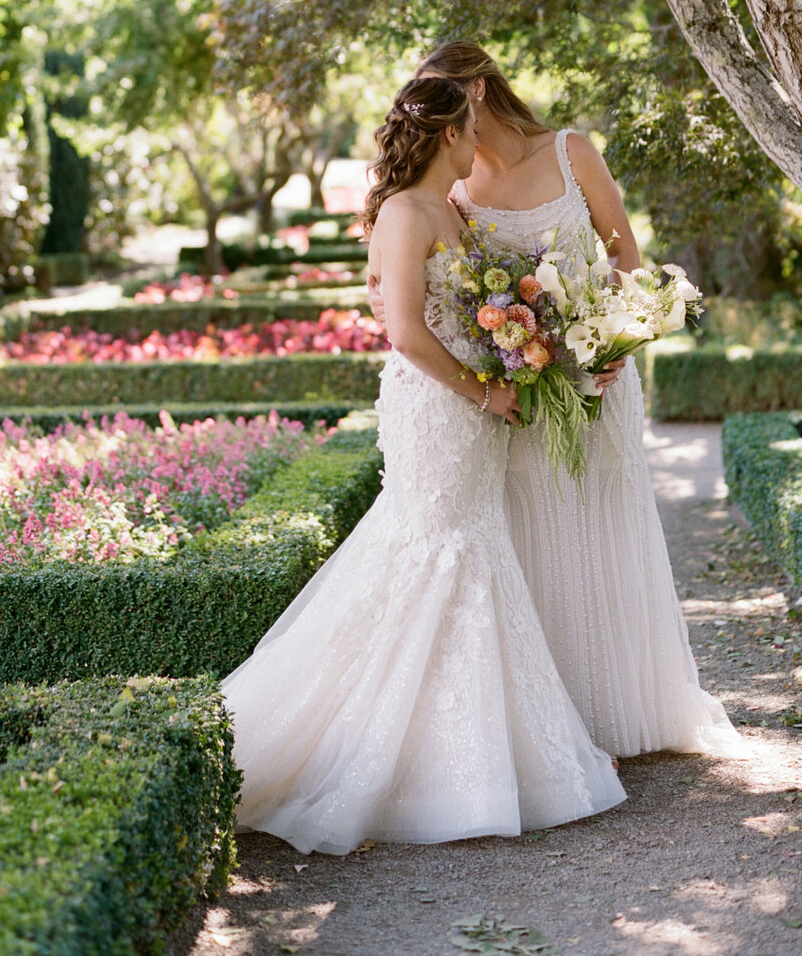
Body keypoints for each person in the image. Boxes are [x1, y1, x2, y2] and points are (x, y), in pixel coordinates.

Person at [221, 75, 625, 855]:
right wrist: (486, 393)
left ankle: (469, 760)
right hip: (441, 414)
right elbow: (405, 331)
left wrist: (534, 357)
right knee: (436, 555)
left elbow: (481, 311)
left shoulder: (453, 210)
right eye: (473, 129)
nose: (485, 143)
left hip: (475, 414)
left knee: (470, 558)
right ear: (448, 135)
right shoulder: (408, 214)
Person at [372, 44, 744, 762]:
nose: (441, 121)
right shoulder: (450, 190)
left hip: (598, 378)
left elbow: (626, 258)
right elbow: (445, 299)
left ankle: (620, 715)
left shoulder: (572, 151)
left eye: (448, 97)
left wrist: (609, 348)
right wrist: (506, 373)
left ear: (479, 88)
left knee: (602, 526)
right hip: (523, 388)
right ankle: (552, 726)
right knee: (527, 536)